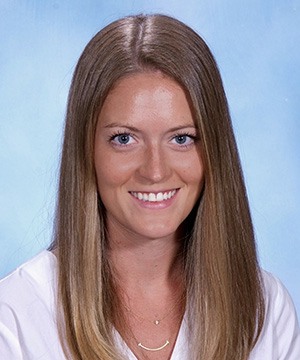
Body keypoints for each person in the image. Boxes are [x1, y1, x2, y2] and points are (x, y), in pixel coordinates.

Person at [0, 13, 299, 360]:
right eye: (124, 138)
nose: (155, 171)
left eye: (182, 138)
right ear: (87, 148)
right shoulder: (16, 318)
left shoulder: (265, 310)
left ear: (215, 150)